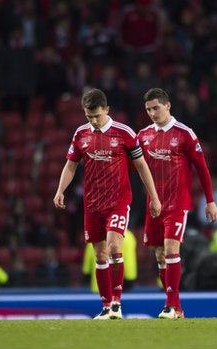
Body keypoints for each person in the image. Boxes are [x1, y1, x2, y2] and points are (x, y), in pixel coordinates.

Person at [53, 88, 161, 320]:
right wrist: (61, 190)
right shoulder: (81, 134)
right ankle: (105, 306)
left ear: (107, 110)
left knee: (114, 247)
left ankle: (116, 304)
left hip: (118, 202)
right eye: (89, 116)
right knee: (99, 255)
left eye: (97, 116)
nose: (93, 120)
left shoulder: (124, 133)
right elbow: (71, 165)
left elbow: (142, 166)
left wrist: (154, 196)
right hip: (92, 205)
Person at [137, 88, 217, 319]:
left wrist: (210, 201)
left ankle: (171, 306)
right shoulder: (143, 136)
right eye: (148, 109)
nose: (152, 113)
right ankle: (176, 306)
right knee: (160, 256)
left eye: (156, 108)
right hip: (154, 205)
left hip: (177, 204)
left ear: (168, 105)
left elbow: (202, 169)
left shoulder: (185, 134)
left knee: (172, 249)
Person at [83, 229, 138, 293]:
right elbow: (129, 262)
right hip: (119, 289)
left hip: (99, 288)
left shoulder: (95, 235)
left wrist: (86, 274)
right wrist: (130, 279)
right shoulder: (128, 236)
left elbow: (87, 267)